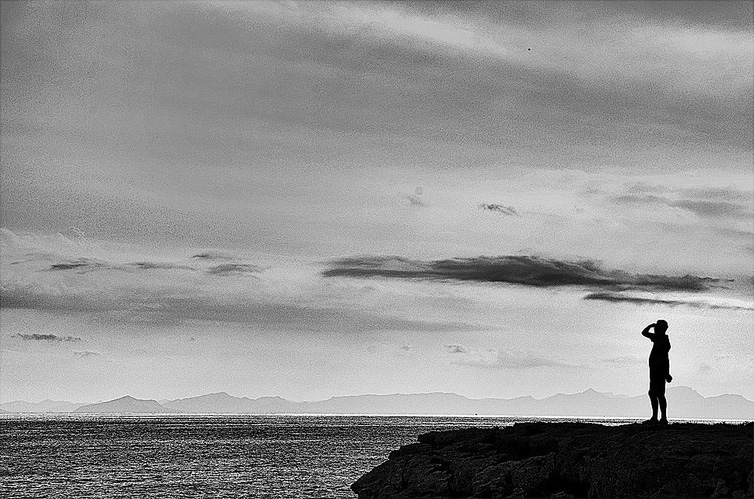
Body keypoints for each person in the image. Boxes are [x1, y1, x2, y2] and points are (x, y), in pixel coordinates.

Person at [641, 320, 672, 424]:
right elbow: (644, 333)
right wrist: (650, 325)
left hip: (659, 370)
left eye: (657, 327)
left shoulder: (663, 340)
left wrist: (667, 373)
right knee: (653, 393)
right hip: (654, 370)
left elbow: (665, 358)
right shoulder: (658, 338)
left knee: (659, 394)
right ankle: (655, 417)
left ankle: (662, 418)